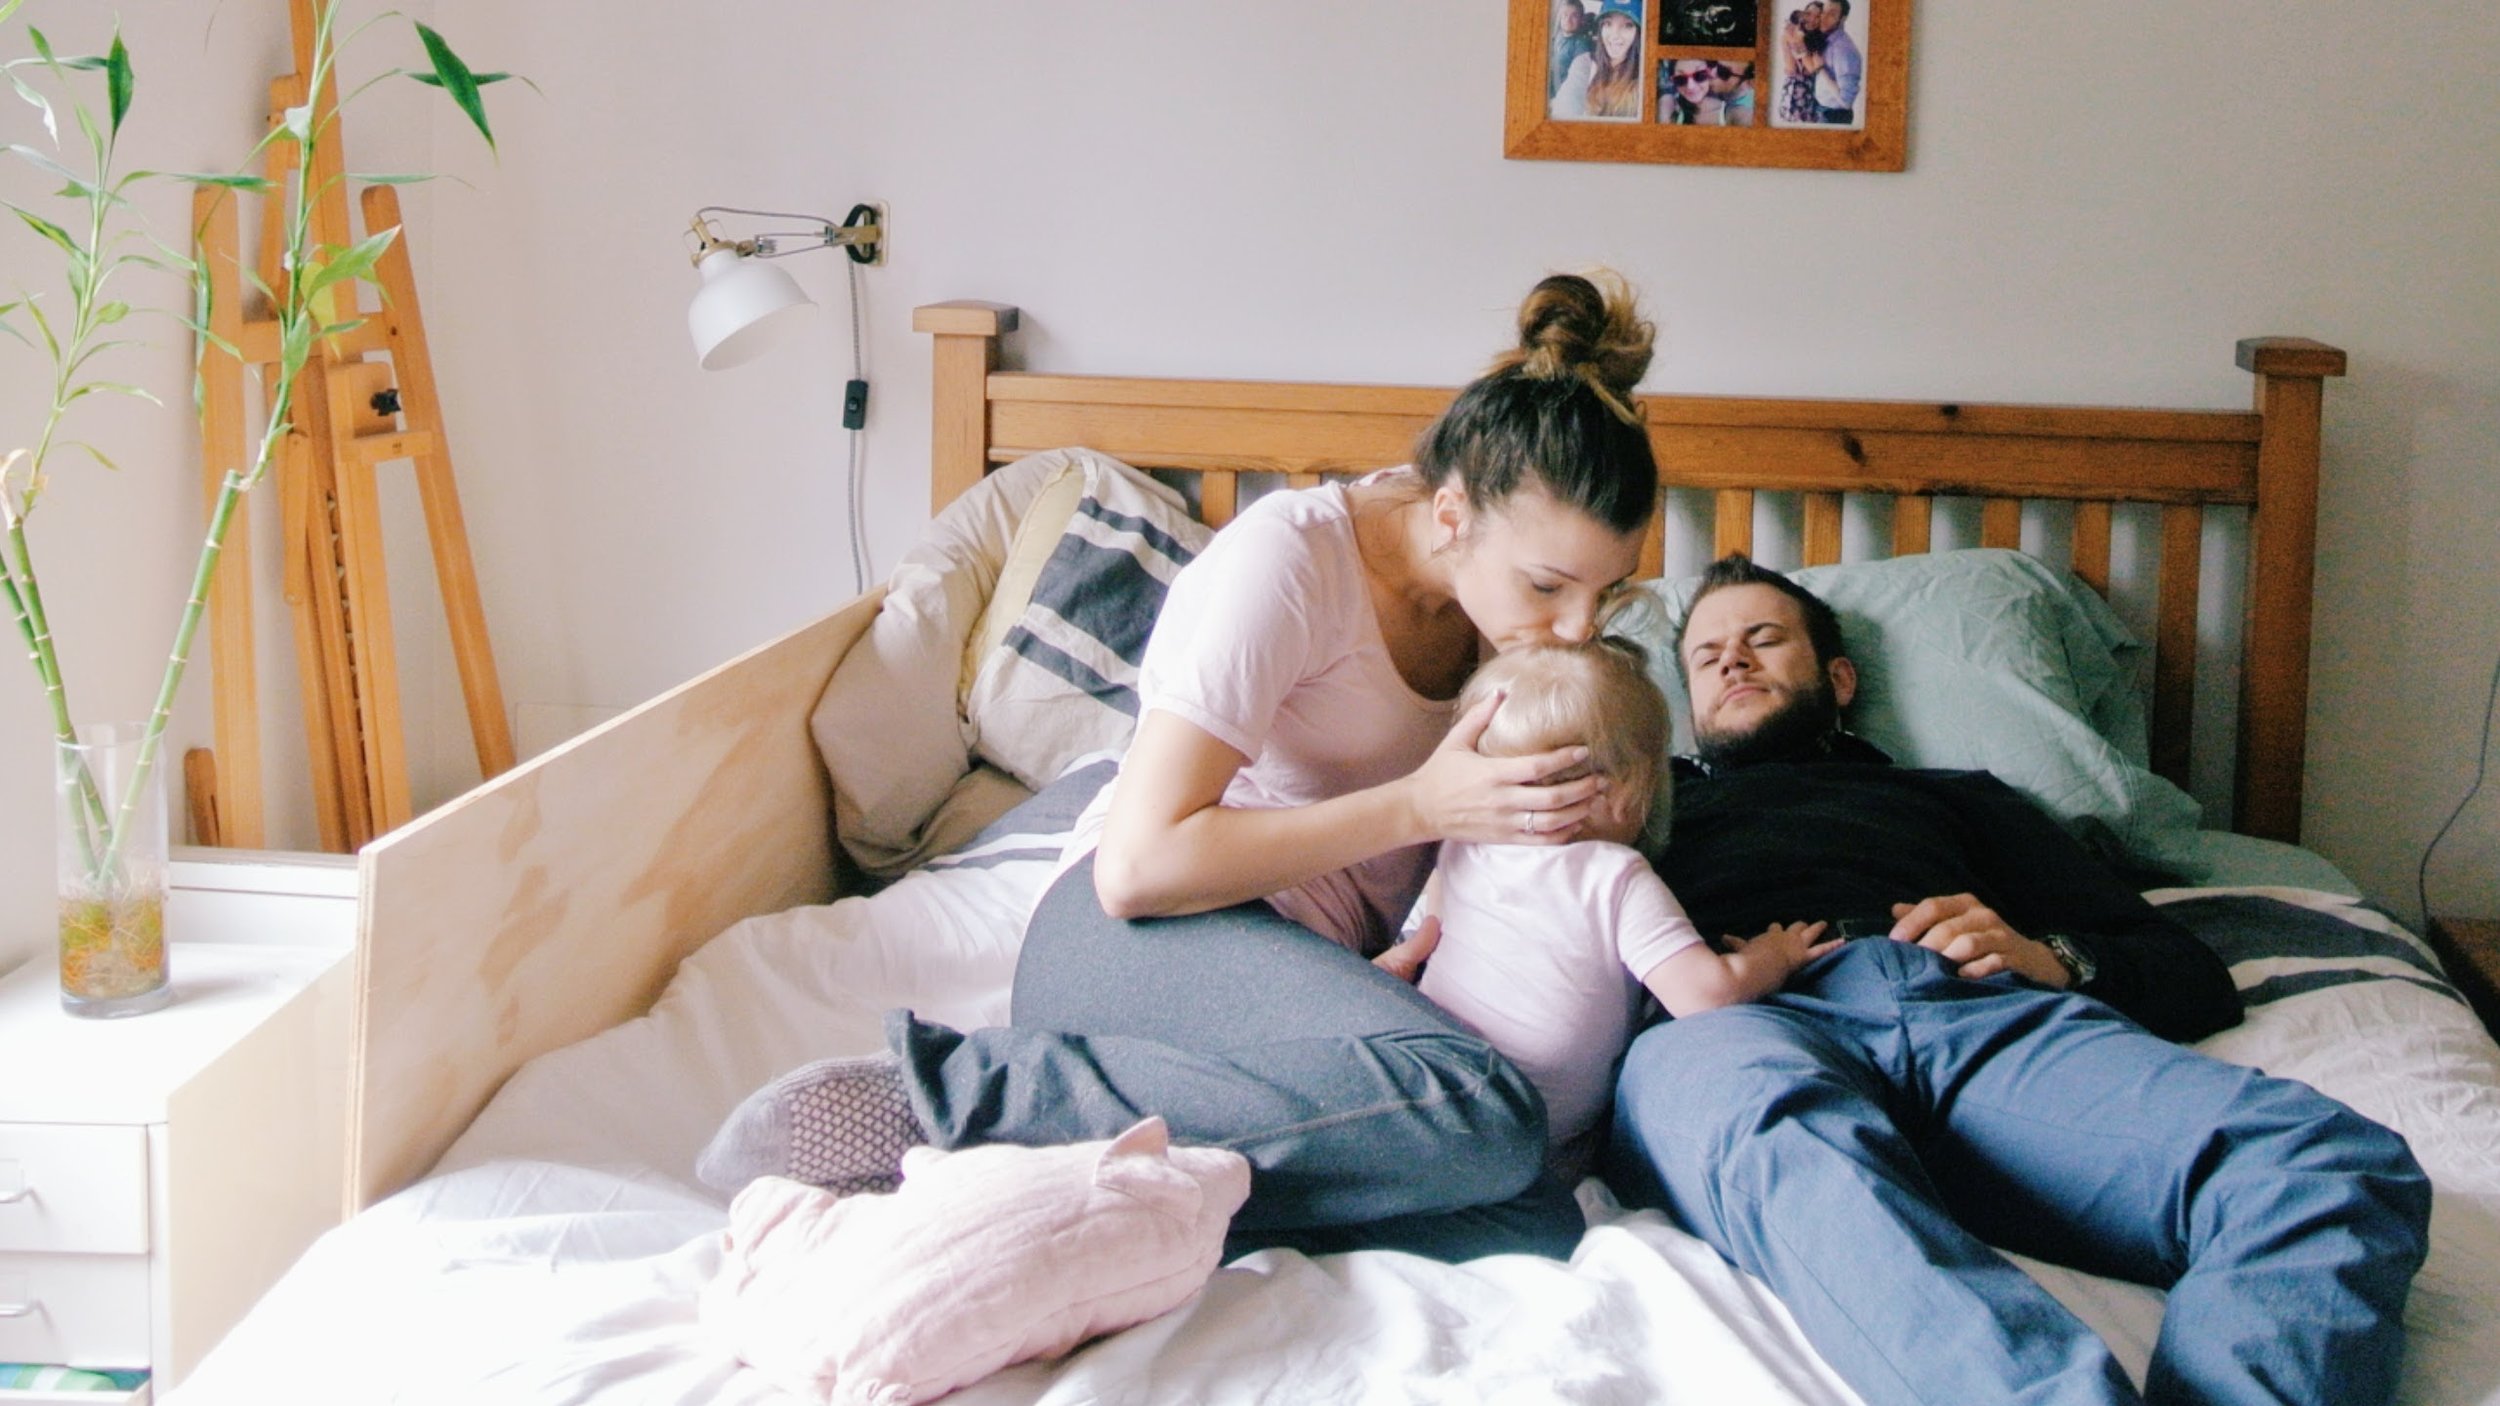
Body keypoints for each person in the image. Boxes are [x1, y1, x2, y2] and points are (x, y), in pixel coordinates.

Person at [700, 271, 1663, 1264]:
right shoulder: (1289, 562)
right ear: (1453, 514)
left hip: (1301, 999)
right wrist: (1417, 804)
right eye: (1549, 584)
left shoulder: (1506, 612)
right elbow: (1138, 866)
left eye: (1609, 588)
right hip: (1137, 940)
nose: (1579, 625)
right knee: (1479, 1107)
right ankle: (956, 1098)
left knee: (1532, 1214)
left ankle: (1084, 1175)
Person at [1600, 554, 2435, 1406]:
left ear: (1839, 678)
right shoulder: (1637, 814)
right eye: (1705, 656)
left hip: (1960, 1008)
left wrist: (2050, 958)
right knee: (1786, 1149)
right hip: (1731, 1023)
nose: (1732, 661)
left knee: (2324, 1166)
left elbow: (2185, 968)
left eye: (1764, 639)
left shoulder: (1960, 797)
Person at [1400, 639, 1837, 1178]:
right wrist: (1776, 955)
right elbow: (1706, 995)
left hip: (1428, 1089)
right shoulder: (1611, 875)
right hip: (1529, 1130)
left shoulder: (1457, 852)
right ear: (1625, 790)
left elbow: (1413, 943)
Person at [1551, 0, 1643, 120]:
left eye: (1628, 25)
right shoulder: (1585, 63)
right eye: (1608, 24)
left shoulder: (1645, 72)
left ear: (1638, 33)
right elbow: (1566, 106)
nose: (1615, 35)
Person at [1804, 0, 1862, 123]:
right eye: (1823, 12)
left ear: (1842, 19)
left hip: (1834, 117)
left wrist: (1821, 69)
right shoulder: (1827, 40)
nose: (1824, 17)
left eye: (1832, 14)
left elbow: (1846, 102)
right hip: (1822, 111)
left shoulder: (1843, 49)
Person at [1777, 4, 1827, 125]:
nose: (1812, 20)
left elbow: (1810, 69)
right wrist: (1790, 40)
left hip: (1813, 92)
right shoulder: (1788, 34)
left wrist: (1797, 42)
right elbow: (1791, 68)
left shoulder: (1819, 39)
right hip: (1792, 89)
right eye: (1809, 14)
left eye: (1817, 16)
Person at [1547, 0, 1593, 101]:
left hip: (1560, 96)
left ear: (1581, 19)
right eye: (1565, 15)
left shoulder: (1581, 45)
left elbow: (1577, 80)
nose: (1568, 19)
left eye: (1574, 16)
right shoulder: (1557, 36)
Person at [1663, 59, 1725, 126]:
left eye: (1699, 75)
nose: (1690, 86)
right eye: (1680, 79)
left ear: (1710, 74)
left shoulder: (1729, 112)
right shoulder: (1671, 108)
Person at [1707, 60, 1756, 126]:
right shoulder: (1723, 92)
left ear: (1744, 79)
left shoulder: (1744, 115)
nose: (1711, 73)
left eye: (1723, 72)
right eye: (1713, 63)